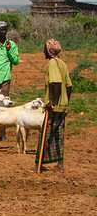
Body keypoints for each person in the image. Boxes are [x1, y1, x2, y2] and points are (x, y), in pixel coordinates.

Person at [32, 38, 72, 173]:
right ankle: (60, 165)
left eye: (45, 49)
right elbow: (69, 86)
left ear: (49, 51)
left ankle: (38, 164)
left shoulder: (52, 64)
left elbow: (57, 83)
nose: (43, 51)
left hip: (54, 106)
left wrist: (52, 102)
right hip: (63, 105)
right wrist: (66, 102)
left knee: (46, 134)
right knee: (58, 135)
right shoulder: (62, 63)